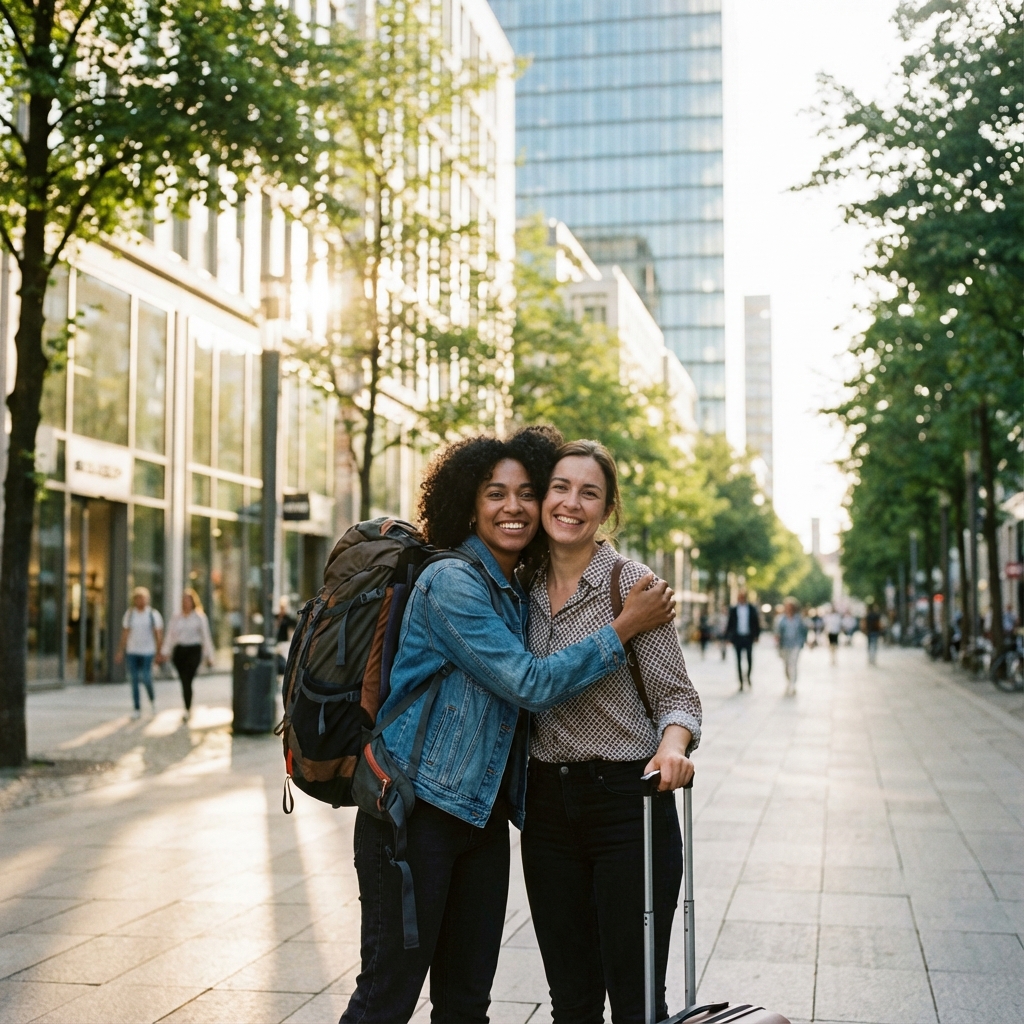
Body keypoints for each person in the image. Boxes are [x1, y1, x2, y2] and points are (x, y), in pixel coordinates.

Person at [340, 428, 676, 1024]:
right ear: (470, 503)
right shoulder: (453, 583)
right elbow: (530, 682)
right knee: (387, 996)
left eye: (527, 492)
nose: (514, 507)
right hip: (415, 816)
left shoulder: (516, 589)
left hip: (483, 821)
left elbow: (671, 695)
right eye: (496, 494)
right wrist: (624, 627)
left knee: (466, 1002)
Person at [522, 440, 701, 1024]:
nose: (571, 503)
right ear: (543, 496)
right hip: (546, 809)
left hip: (629, 806)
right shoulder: (517, 587)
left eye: (589, 492)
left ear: (607, 509)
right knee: (571, 1002)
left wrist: (673, 748)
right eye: (560, 487)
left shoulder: (632, 585)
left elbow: (677, 695)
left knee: (636, 998)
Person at [158, 588, 215, 722]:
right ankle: (187, 708)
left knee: (188, 678)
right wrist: (165, 652)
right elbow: (170, 636)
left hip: (194, 651)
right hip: (180, 651)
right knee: (184, 680)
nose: (186, 603)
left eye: (188, 600)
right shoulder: (176, 617)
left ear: (193, 602)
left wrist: (209, 656)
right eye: (184, 601)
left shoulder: (199, 617)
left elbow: (206, 637)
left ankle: (187, 707)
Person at [116, 586, 163, 718]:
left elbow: (158, 634)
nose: (140, 601)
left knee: (147, 678)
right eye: (137, 598)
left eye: (142, 598)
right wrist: (120, 651)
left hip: (148, 651)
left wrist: (159, 652)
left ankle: (152, 700)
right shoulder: (130, 614)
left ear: (147, 600)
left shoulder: (153, 615)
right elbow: (125, 633)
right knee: (134, 679)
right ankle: (137, 708)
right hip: (132, 651)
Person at [726, 588, 761, 690]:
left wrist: (757, 636)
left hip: (748, 637)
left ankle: (748, 677)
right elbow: (730, 623)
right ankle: (741, 682)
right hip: (737, 638)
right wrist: (728, 637)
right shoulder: (734, 609)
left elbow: (756, 623)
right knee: (738, 661)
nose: (740, 599)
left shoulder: (751, 608)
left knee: (749, 659)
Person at [775, 597, 806, 696]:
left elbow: (803, 631)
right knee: (786, 665)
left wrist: (803, 641)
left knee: (793, 665)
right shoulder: (781, 619)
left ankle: (792, 684)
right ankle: (788, 681)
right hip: (784, 645)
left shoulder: (799, 619)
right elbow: (777, 632)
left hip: (796, 644)